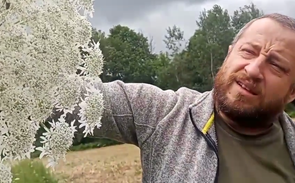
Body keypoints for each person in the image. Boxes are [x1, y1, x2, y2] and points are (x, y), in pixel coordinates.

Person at [62, 13, 295, 183]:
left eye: (275, 65)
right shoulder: (164, 114)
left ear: (292, 92)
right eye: (248, 51)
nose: (253, 69)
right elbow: (67, 97)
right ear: (229, 54)